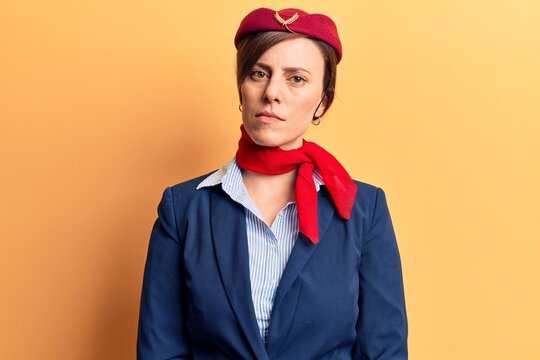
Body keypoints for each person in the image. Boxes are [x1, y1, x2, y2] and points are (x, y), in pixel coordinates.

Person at [137, 7, 408, 360]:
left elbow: (384, 351)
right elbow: (160, 351)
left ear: (322, 103)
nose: (272, 93)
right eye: (259, 73)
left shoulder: (364, 209)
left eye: (296, 78)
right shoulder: (183, 208)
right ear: (241, 88)